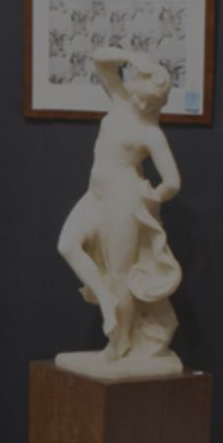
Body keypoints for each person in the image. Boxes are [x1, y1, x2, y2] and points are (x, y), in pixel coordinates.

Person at [56, 47, 182, 367]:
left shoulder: (151, 134)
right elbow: (100, 60)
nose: (141, 103)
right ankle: (106, 303)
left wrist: (150, 197)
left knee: (120, 274)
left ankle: (117, 347)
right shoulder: (120, 101)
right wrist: (130, 55)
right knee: (67, 245)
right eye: (138, 87)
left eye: (138, 79)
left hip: (123, 201)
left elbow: (172, 182)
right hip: (95, 194)